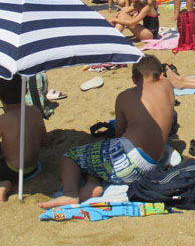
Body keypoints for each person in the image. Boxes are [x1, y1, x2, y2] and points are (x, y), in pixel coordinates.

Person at [37, 55, 175, 209]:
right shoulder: (168, 87)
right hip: (152, 165)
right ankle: (92, 184)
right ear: (161, 75)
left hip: (129, 163)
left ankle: (70, 195)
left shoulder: (125, 97)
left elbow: (119, 133)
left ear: (134, 79)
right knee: (94, 156)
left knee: (70, 157)